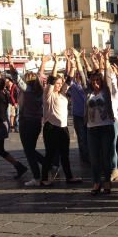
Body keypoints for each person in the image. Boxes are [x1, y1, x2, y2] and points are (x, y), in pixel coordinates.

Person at [77, 48, 116, 195]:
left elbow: (107, 76)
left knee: (105, 157)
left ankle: (107, 181)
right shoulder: (89, 92)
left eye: (97, 80)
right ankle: (96, 182)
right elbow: (82, 78)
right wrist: (77, 60)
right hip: (91, 129)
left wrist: (105, 58)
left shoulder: (106, 91)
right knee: (94, 159)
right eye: (93, 81)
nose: (95, 83)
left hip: (106, 127)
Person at [7, 53, 50, 187]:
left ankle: (38, 176)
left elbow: (15, 77)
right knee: (30, 149)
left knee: (28, 151)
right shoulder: (40, 91)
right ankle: (49, 166)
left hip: (26, 122)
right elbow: (40, 77)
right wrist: (43, 63)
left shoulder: (26, 90)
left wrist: (10, 61)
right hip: (37, 122)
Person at [40, 53, 82, 186]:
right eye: (57, 84)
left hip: (63, 127)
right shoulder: (48, 94)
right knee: (50, 154)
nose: (59, 85)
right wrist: (56, 63)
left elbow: (69, 79)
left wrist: (73, 64)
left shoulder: (63, 93)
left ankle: (69, 177)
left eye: (60, 83)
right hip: (51, 127)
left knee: (65, 154)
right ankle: (44, 178)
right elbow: (51, 80)